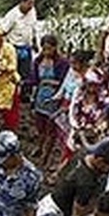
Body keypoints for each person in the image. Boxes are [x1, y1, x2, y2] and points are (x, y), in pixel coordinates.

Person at [30, 35, 69, 164]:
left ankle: (46, 154)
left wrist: (47, 82)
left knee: (51, 128)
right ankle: (39, 146)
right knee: (40, 126)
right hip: (40, 96)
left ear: (55, 48)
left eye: (49, 49)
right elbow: (34, 81)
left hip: (54, 97)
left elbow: (64, 82)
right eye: (44, 49)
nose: (47, 52)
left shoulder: (62, 63)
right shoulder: (38, 61)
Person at [1, 0, 40, 99]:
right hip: (14, 47)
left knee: (26, 72)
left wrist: (35, 42)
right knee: (13, 72)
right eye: (29, 3)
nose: (31, 6)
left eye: (32, 3)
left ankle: (24, 95)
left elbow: (33, 28)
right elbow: (3, 31)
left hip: (27, 46)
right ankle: (10, 93)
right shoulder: (12, 15)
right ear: (22, 2)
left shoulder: (32, 11)